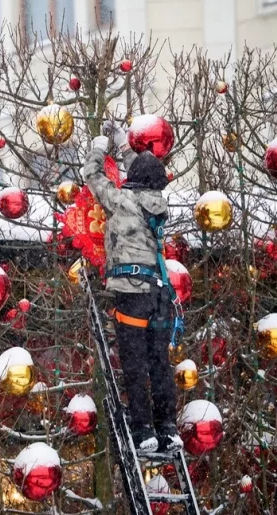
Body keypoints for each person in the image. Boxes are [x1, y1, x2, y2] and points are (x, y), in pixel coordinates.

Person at [82, 122, 183, 457]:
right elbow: (140, 175)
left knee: (135, 363)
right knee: (159, 362)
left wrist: (100, 146)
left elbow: (93, 176)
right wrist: (125, 146)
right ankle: (168, 428)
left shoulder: (122, 201)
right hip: (159, 294)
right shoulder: (159, 205)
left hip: (132, 292)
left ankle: (143, 431)